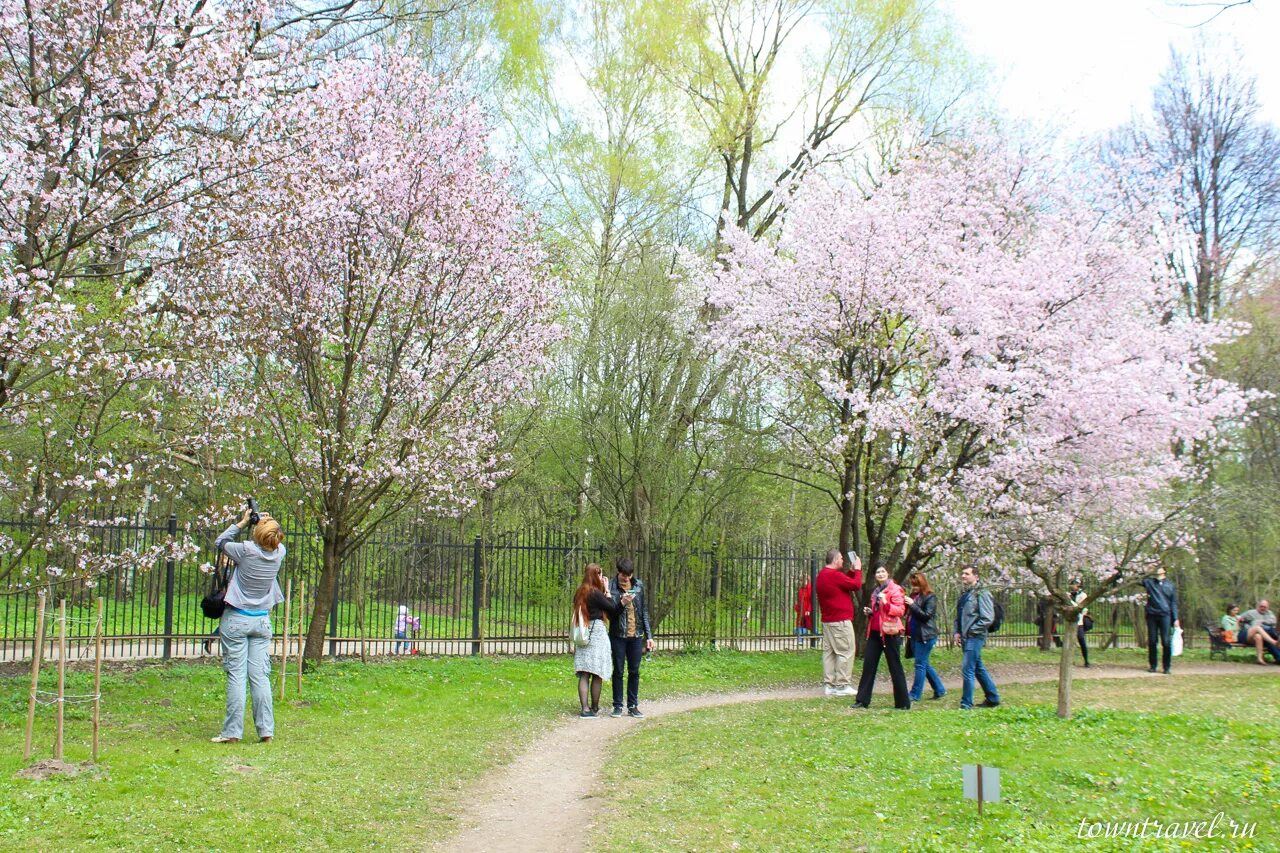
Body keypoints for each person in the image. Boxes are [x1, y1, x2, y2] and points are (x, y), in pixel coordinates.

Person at [211, 507, 285, 744]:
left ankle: (232, 733)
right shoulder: (280, 552)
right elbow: (270, 541)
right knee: (260, 677)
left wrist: (243, 522)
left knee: (237, 676)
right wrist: (264, 524)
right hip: (261, 621)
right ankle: (266, 731)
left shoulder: (245, 551)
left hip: (236, 619)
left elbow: (221, 541)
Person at [853, 566, 910, 710]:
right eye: (878, 572)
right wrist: (871, 613)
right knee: (868, 666)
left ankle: (903, 703)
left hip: (890, 633)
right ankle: (862, 700)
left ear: (888, 573)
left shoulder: (895, 589)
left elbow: (900, 611)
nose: (880, 574)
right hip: (875, 633)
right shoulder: (875, 591)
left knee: (895, 667)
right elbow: (880, 614)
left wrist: (886, 602)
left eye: (883, 571)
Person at [572, 564, 624, 717]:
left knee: (584, 672)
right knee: (597, 672)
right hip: (596, 633)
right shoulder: (595, 593)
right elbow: (613, 609)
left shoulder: (580, 592)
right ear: (595, 576)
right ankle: (594, 708)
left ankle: (584, 709)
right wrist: (607, 590)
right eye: (600, 575)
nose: (602, 578)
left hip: (584, 633)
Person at [608, 558, 654, 718]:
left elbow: (644, 612)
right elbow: (610, 614)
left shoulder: (638, 585)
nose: (626, 578)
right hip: (618, 636)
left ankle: (633, 705)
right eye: (623, 575)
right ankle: (618, 705)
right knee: (618, 671)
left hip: (636, 636)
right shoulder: (611, 586)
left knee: (634, 671)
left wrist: (649, 636)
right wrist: (621, 603)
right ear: (618, 572)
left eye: (629, 575)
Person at [814, 548, 863, 696]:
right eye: (841, 558)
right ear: (835, 559)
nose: (843, 560)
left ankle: (829, 685)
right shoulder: (834, 575)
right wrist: (858, 570)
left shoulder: (822, 575)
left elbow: (844, 584)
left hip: (828, 621)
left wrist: (852, 572)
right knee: (846, 651)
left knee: (829, 653)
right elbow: (855, 585)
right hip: (840, 621)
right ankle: (842, 685)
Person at [953, 565, 1000, 710]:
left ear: (976, 576)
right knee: (978, 668)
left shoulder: (982, 593)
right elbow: (960, 616)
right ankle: (993, 698)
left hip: (975, 637)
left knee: (968, 669)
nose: (963, 576)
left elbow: (987, 618)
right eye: (962, 573)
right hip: (967, 636)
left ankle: (966, 703)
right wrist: (957, 632)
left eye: (967, 573)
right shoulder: (965, 594)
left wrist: (972, 630)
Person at [906, 571, 945, 702]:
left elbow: (926, 616)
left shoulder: (930, 596)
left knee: (920, 665)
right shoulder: (913, 596)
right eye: (912, 585)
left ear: (922, 584)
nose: (914, 588)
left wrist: (912, 605)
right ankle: (939, 689)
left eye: (916, 585)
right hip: (914, 635)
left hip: (925, 635)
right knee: (924, 664)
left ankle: (915, 694)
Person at [1141, 568, 1179, 674]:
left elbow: (1173, 603)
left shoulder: (1170, 585)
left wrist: (1175, 618)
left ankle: (1166, 667)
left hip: (1165, 615)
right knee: (1152, 641)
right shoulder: (1150, 582)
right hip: (1152, 615)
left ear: (1164, 572)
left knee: (1166, 642)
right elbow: (1139, 579)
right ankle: (1153, 665)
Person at [1238, 600, 1280, 665]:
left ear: (1268, 607)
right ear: (1258, 606)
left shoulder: (1269, 613)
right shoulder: (1251, 613)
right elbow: (1238, 618)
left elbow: (1273, 621)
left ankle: (1260, 659)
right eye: (1261, 606)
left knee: (1258, 636)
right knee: (1257, 628)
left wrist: (1262, 621)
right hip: (1245, 634)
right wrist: (1239, 624)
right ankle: (1274, 642)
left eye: (1264, 607)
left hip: (1253, 637)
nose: (1262, 608)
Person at [1070, 580, 1091, 668]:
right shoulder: (1070, 595)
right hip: (1071, 620)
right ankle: (1070, 660)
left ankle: (1086, 660)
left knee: (1081, 640)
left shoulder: (1082, 595)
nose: (1072, 586)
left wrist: (1072, 602)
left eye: (1074, 584)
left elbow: (1083, 609)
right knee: (1070, 641)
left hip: (1079, 621)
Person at [794, 579, 814, 647]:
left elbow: (812, 601)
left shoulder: (810, 588)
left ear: (807, 580)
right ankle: (800, 640)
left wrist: (809, 610)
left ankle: (816, 635)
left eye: (803, 581)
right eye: (800, 581)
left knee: (809, 625)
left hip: (807, 611)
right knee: (800, 625)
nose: (801, 582)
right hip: (801, 610)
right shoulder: (800, 589)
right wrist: (797, 607)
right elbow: (799, 600)